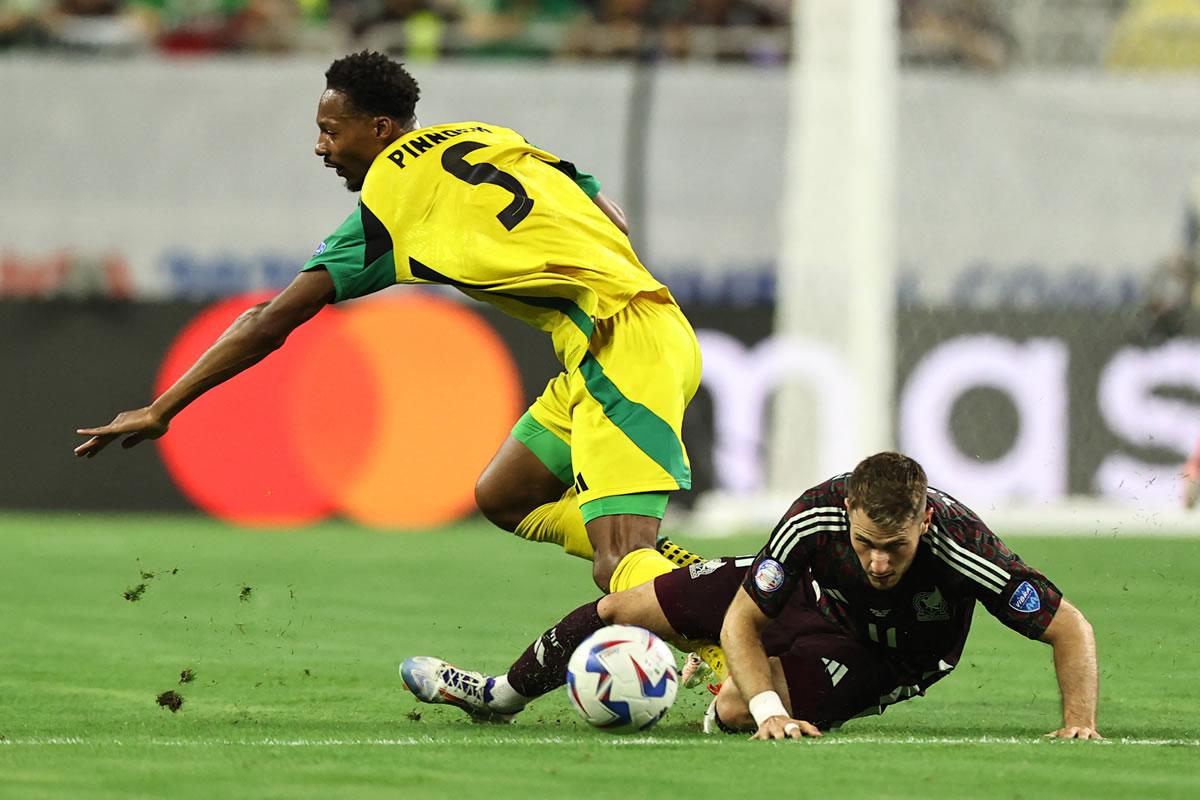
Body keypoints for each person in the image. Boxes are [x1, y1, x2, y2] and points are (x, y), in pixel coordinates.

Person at [74, 50, 706, 601]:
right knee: (507, 496)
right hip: (626, 332)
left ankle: (729, 652)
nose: (320, 147)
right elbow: (610, 213)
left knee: (616, 564)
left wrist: (162, 408)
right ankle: (679, 574)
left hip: (621, 345)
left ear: (380, 128)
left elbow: (269, 321)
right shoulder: (486, 135)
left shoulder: (389, 203)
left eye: (330, 131)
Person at [400, 452, 1101, 741]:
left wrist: (1079, 723)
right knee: (621, 606)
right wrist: (775, 710)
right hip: (807, 598)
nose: (879, 563)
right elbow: (744, 614)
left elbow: (1068, 625)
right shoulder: (816, 514)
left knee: (737, 709)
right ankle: (499, 697)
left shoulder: (962, 546)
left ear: (923, 522)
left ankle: (722, 683)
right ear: (849, 510)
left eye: (895, 547)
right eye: (866, 544)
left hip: (881, 655)